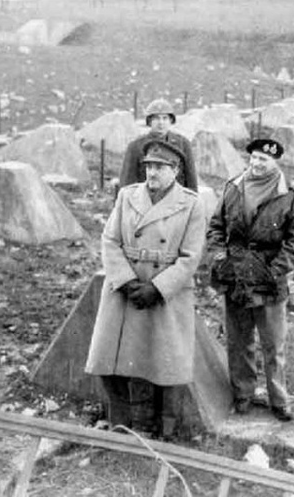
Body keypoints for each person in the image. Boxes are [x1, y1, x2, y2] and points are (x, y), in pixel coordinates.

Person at [85, 140, 205, 440]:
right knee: (109, 356)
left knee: (162, 362)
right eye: (149, 166)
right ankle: (122, 424)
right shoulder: (127, 196)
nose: (152, 173)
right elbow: (110, 240)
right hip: (125, 289)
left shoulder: (191, 204)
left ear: (175, 171)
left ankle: (159, 427)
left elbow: (191, 257)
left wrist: (158, 288)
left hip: (165, 292)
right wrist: (125, 281)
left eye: (160, 167)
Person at [206, 138, 294, 422]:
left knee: (273, 344)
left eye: (263, 160)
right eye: (253, 158)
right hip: (236, 276)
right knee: (238, 340)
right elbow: (216, 226)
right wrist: (219, 257)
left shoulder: (289, 195)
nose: (256, 164)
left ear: (276, 162)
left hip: (269, 279)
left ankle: (279, 400)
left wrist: (276, 269)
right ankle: (243, 395)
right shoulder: (233, 187)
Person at [119, 98, 197, 191]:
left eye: (165, 118)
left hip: (176, 200)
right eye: (156, 118)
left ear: (171, 121)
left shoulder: (183, 144)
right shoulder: (135, 146)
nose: (161, 123)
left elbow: (191, 179)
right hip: (146, 199)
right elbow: (127, 182)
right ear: (149, 121)